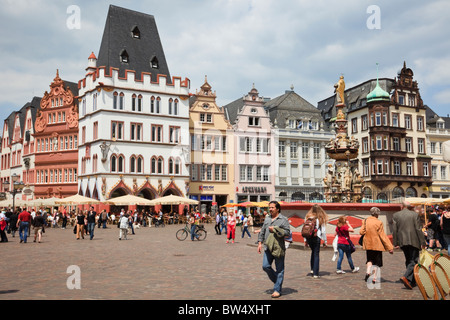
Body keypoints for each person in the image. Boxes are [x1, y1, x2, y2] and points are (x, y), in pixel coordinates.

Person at [257, 201, 291, 298]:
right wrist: (259, 243)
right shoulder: (267, 219)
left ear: (278, 209)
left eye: (272, 207)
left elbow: (287, 232)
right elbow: (263, 230)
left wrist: (276, 229)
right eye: (270, 207)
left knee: (280, 269)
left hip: (278, 248)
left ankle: (277, 290)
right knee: (265, 266)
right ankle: (278, 281)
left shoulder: (283, 219)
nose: (270, 209)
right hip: (268, 247)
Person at [392, 201, 427, 290]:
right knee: (414, 260)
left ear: (402, 206)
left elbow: (394, 230)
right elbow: (418, 229)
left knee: (408, 260)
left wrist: (395, 242)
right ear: (409, 207)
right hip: (414, 240)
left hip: (403, 241)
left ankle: (412, 281)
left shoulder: (396, 215)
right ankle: (406, 276)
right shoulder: (414, 215)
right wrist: (423, 242)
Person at [360, 207, 393, 284]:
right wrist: (390, 247)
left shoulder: (365, 221)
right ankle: (374, 278)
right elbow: (382, 236)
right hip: (377, 244)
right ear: (377, 214)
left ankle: (368, 272)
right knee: (377, 263)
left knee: (369, 259)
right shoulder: (379, 222)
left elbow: (361, 232)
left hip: (368, 244)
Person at [305, 204, 328, 279]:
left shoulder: (308, 217)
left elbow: (305, 228)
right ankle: (316, 273)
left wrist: (305, 240)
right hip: (316, 237)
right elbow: (323, 231)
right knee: (316, 254)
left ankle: (312, 269)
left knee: (313, 252)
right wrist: (325, 240)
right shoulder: (320, 218)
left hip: (309, 237)